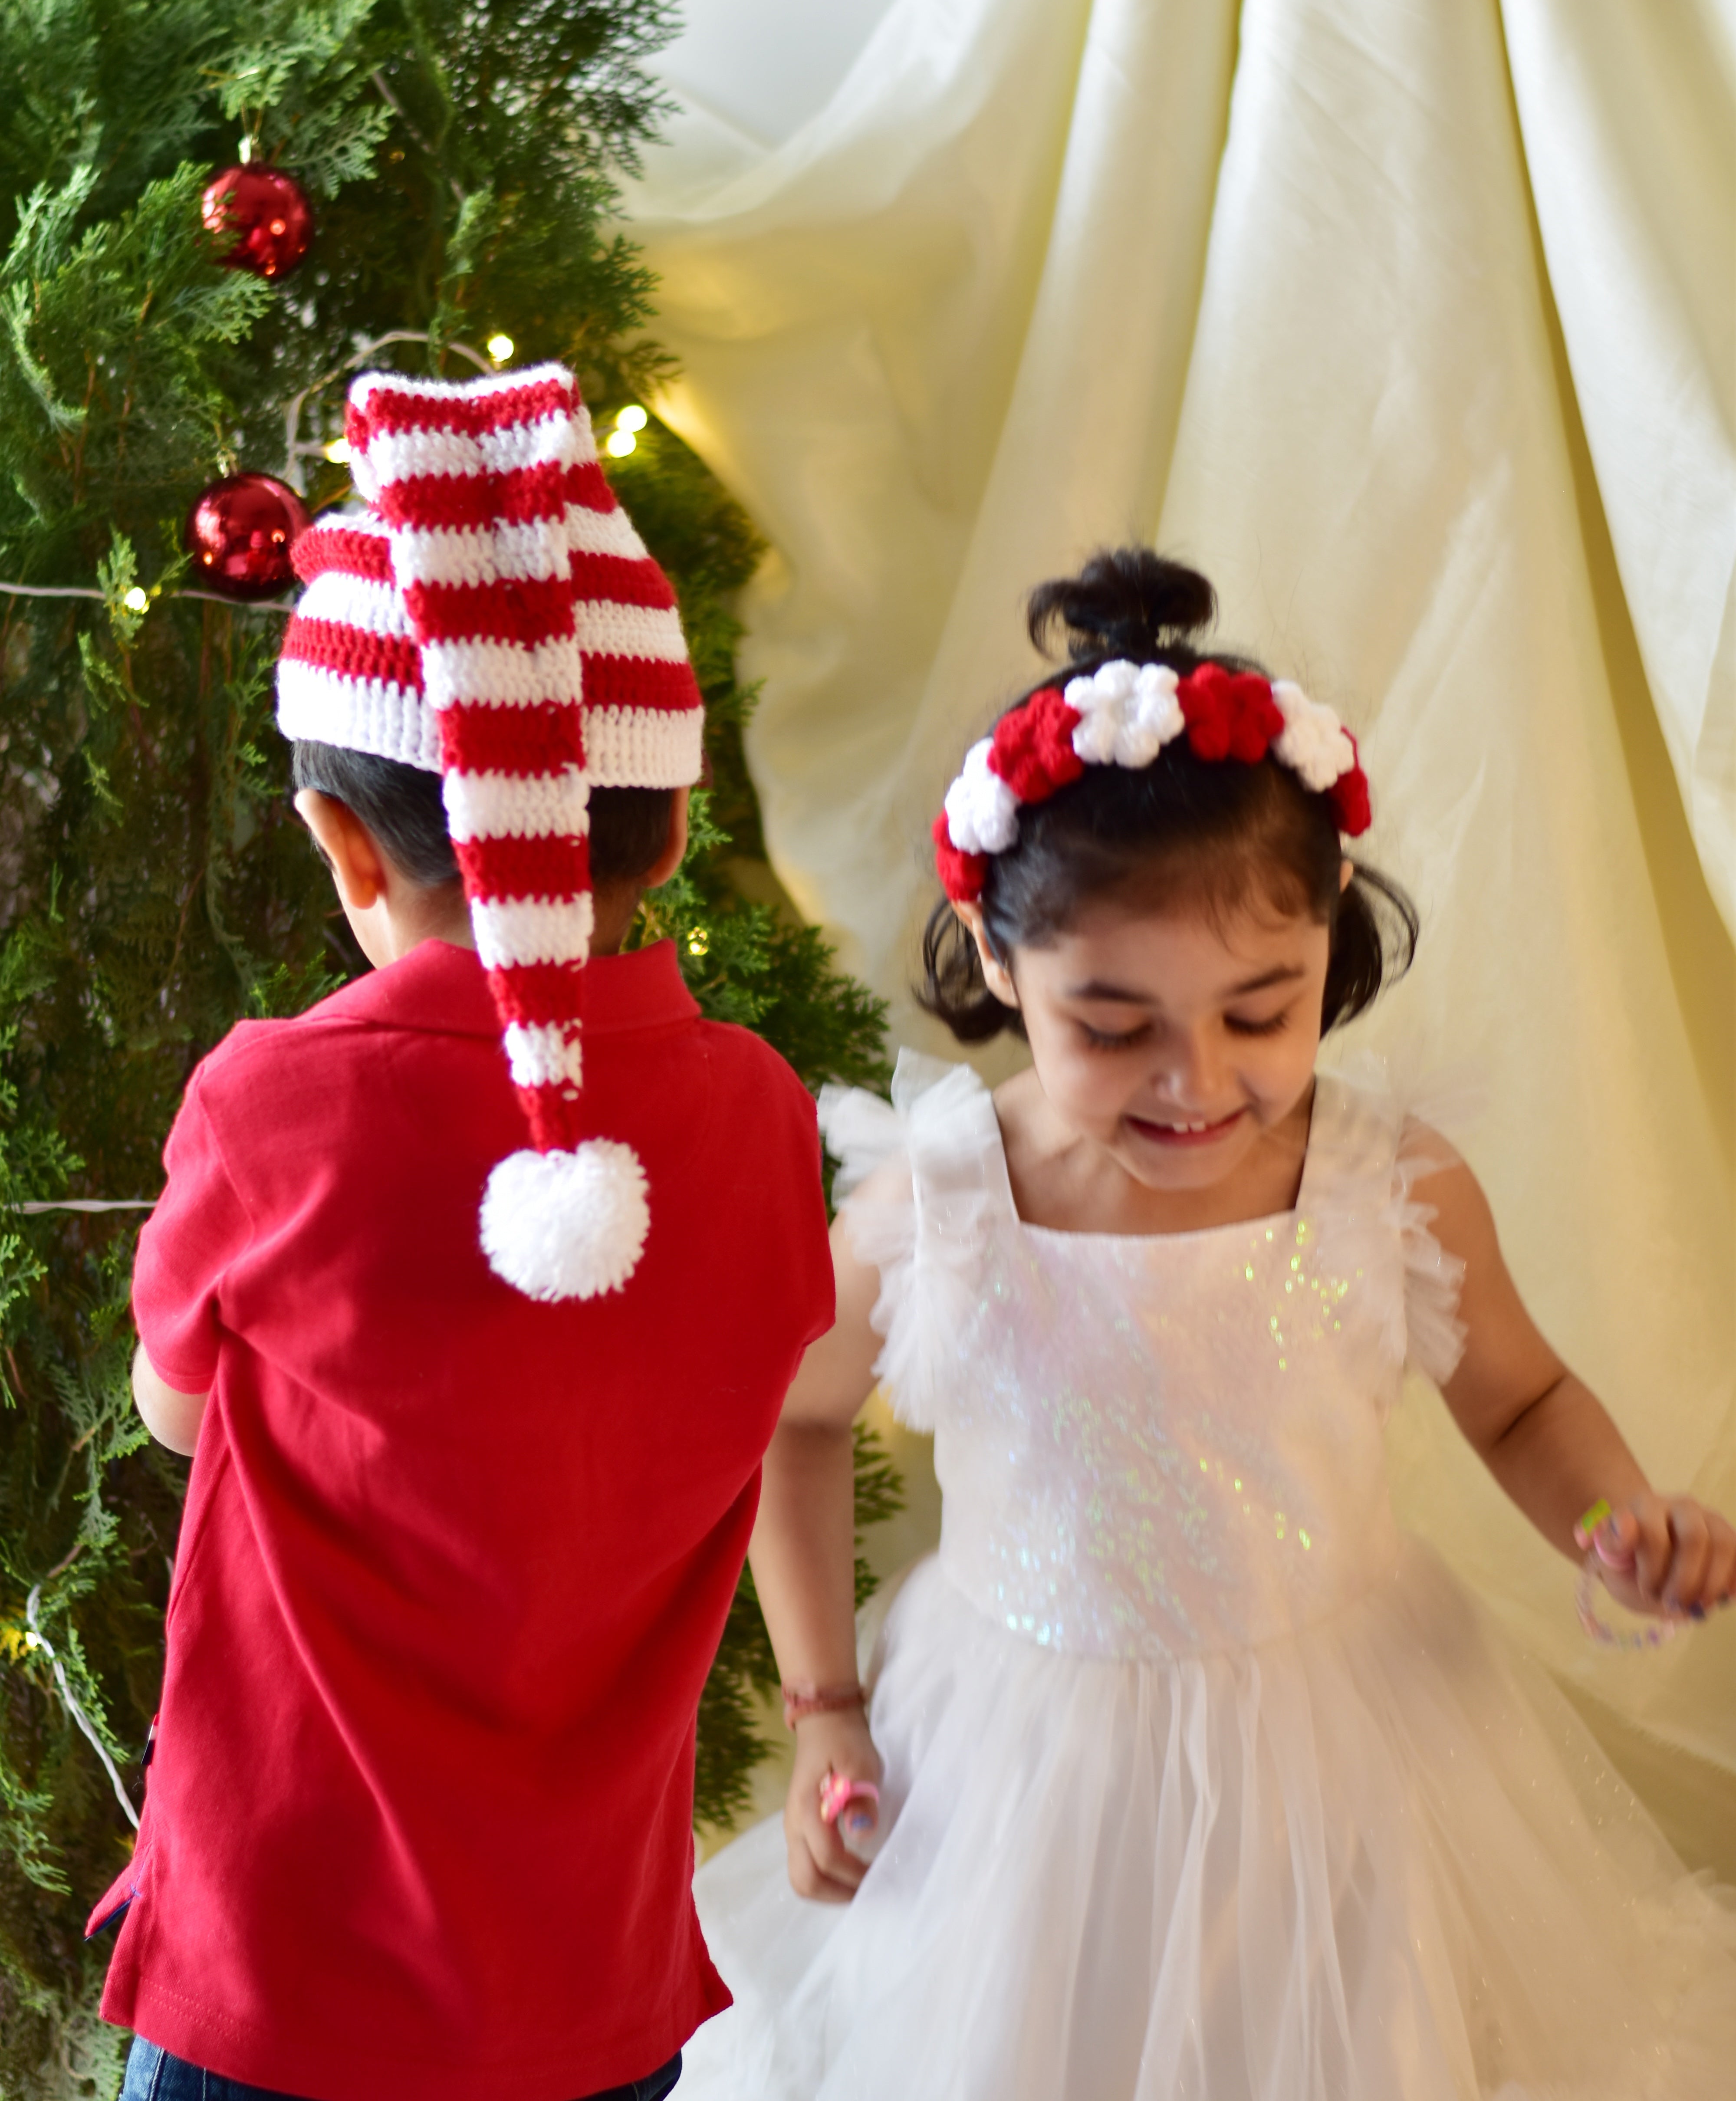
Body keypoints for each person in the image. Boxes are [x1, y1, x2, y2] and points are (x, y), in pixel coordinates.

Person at [680, 548, 1736, 2099]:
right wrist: (826, 1704)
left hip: (1354, 1750)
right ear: (996, 961)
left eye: (1264, 1009)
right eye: (1115, 1028)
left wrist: (1613, 1514)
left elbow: (1519, 1404)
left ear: (1331, 945)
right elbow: (799, 1413)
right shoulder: (946, 1203)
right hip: (1021, 1773)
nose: (1199, 1083)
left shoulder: (1392, 1185)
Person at [90, 364, 835, 2101]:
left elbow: (178, 1406)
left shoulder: (280, 1099)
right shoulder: (751, 1113)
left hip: (287, 1961)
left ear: (342, 839)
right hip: (592, 1973)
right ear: (660, 816)